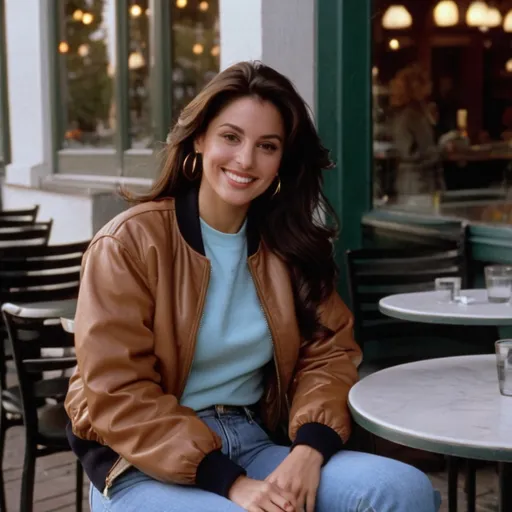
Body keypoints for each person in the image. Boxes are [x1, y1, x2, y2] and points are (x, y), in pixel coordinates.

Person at [64, 61, 441, 512]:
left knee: (403, 490)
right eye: (231, 137)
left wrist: (309, 449)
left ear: (282, 159)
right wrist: (229, 482)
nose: (245, 160)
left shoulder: (287, 243)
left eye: (267, 146)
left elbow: (330, 353)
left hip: (253, 440)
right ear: (199, 139)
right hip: (140, 462)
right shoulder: (129, 243)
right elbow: (117, 389)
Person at [390, 64, 445, 204]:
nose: (431, 86)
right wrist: (440, 151)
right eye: (426, 82)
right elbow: (410, 153)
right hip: (415, 186)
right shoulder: (409, 116)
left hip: (423, 183)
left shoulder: (419, 112)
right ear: (415, 86)